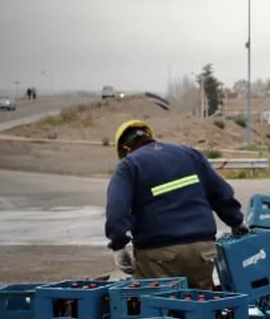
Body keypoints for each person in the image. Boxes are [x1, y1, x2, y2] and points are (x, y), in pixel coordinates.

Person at [105, 120, 248, 289]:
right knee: (201, 306)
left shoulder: (129, 165)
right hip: (202, 250)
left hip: (159, 254)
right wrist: (236, 221)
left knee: (157, 304)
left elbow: (117, 210)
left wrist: (119, 245)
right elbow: (220, 191)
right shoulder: (189, 154)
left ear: (126, 149)